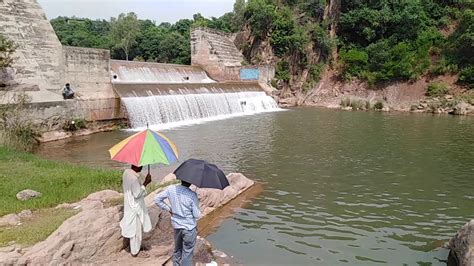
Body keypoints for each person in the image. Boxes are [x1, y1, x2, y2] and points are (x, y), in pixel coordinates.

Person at [154, 180, 202, 266]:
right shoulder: (192, 195)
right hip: (189, 228)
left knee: (177, 249)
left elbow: (157, 199)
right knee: (187, 252)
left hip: (176, 226)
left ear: (181, 180)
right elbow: (197, 215)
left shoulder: (171, 189)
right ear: (190, 183)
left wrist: (169, 209)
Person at [120, 165, 152, 258]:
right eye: (140, 166)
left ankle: (136, 246)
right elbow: (137, 194)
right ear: (136, 166)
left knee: (133, 227)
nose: (142, 167)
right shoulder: (134, 179)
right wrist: (146, 183)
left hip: (129, 205)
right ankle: (135, 251)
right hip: (135, 207)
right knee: (136, 229)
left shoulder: (126, 172)